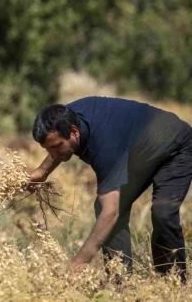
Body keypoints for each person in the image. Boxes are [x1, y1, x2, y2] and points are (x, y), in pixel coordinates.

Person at [30, 97, 192, 280]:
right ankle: (120, 282)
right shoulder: (62, 118)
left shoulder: (104, 145)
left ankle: (173, 281)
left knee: (162, 213)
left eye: (56, 147)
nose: (52, 154)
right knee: (104, 208)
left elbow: (111, 212)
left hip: (176, 147)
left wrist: (80, 261)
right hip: (137, 150)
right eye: (47, 149)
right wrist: (42, 171)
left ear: (74, 132)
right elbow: (59, 143)